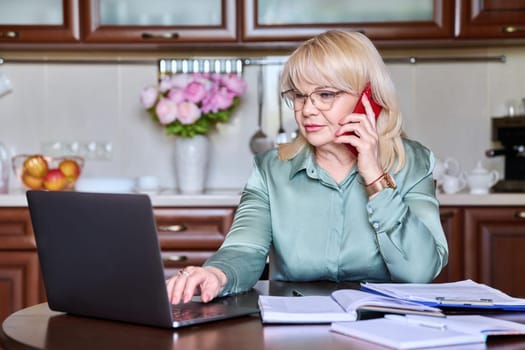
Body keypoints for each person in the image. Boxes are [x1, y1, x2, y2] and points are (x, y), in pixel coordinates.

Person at [166, 29, 448, 304]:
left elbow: (419, 272)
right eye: (300, 96)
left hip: (385, 327)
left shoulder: (412, 162)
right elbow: (244, 248)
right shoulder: (271, 169)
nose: (307, 110)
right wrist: (216, 273)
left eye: (325, 94)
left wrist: (375, 178)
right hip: (295, 328)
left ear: (369, 99)